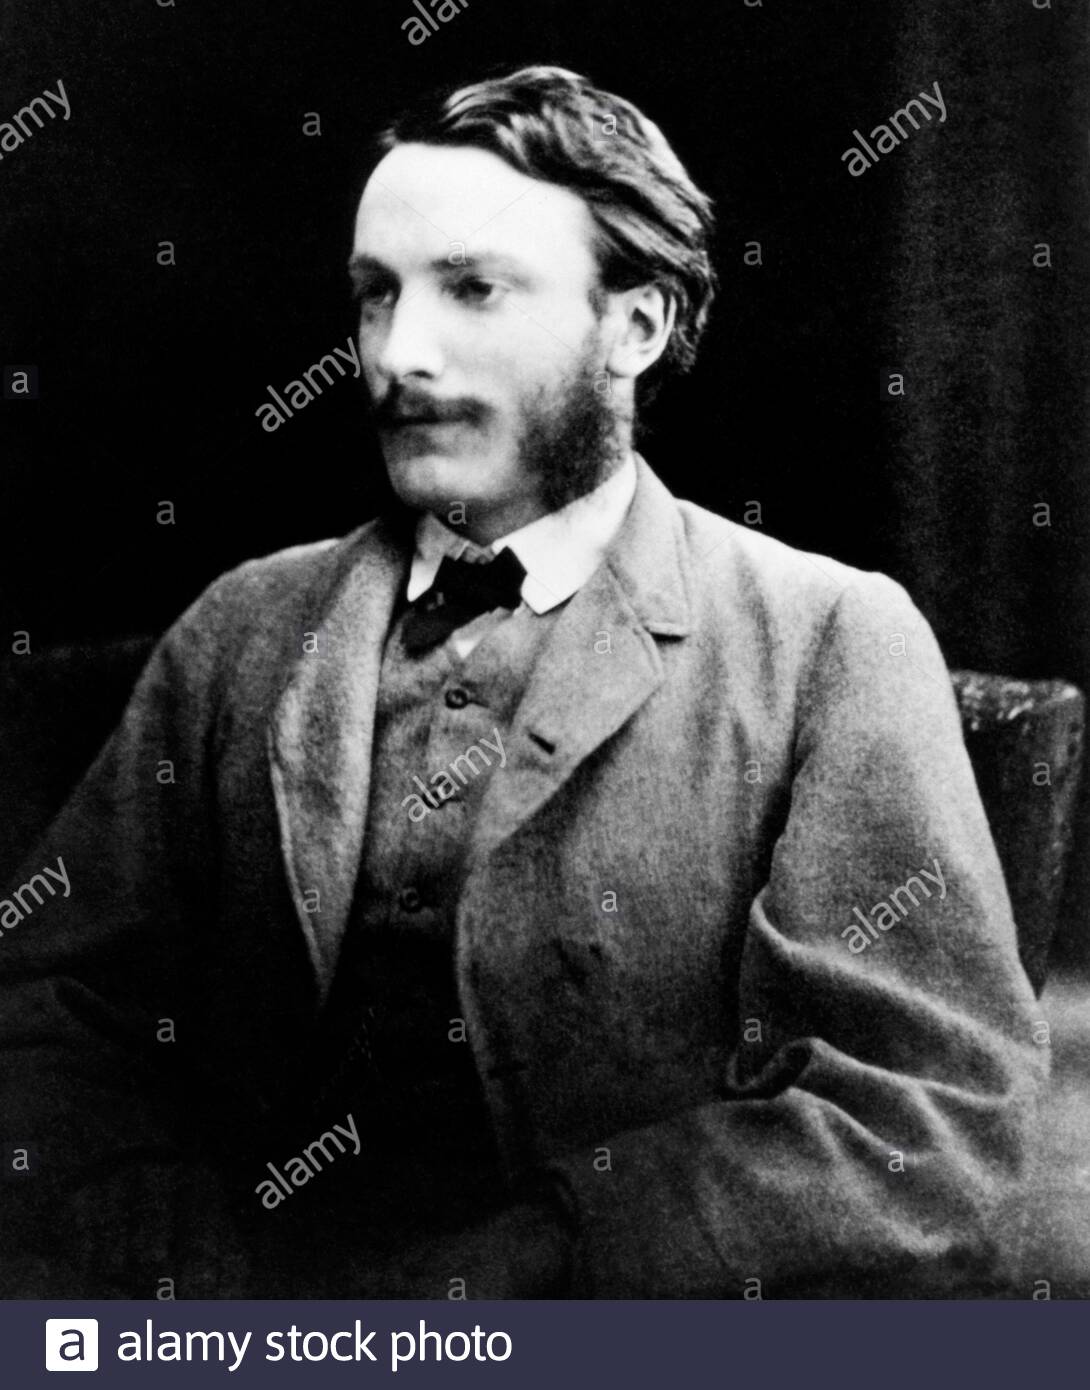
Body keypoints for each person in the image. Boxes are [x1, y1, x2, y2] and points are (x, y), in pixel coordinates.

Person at [0, 65, 1045, 1300]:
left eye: (473, 290)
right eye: (375, 294)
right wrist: (143, 1207)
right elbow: (48, 1004)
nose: (399, 353)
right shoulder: (243, 627)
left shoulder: (827, 640)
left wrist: (554, 1251)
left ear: (635, 326)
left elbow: (922, 1117)